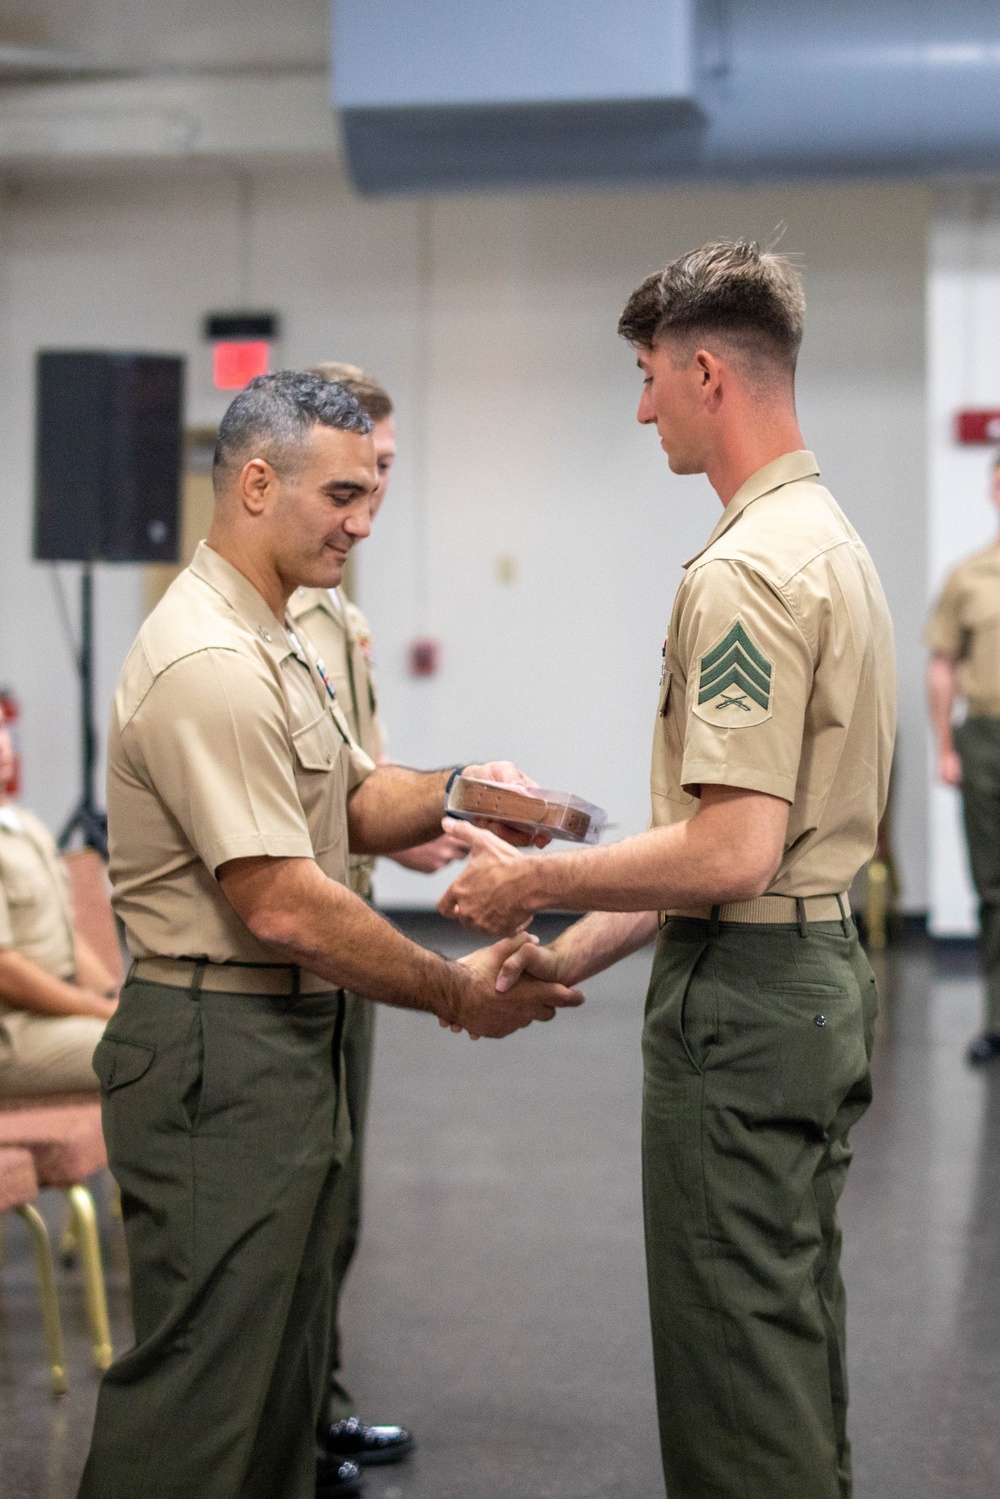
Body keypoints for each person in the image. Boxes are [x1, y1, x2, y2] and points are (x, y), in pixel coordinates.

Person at [438, 241, 895, 1499]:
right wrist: (570, 947)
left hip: (745, 1005)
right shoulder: (828, 538)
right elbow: (735, 860)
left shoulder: (746, 571)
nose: (641, 409)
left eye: (647, 378)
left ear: (706, 373)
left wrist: (534, 882)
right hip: (808, 966)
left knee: (733, 1369)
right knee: (784, 1330)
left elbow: (730, 850)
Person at [77, 371, 582, 1499]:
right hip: (219, 1044)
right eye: (344, 493)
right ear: (257, 483)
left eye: (374, 493)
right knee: (202, 1394)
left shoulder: (277, 634)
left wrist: (461, 790)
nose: (364, 519)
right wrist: (455, 992)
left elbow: (349, 799)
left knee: (279, 1377)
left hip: (276, 1043)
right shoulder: (207, 657)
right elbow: (282, 900)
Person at [288, 362, 463, 1470]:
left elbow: (351, 781)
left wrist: (423, 821)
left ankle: (318, 1399)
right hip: (302, 939)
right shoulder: (283, 617)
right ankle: (293, 1424)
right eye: (359, 476)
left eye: (387, 473)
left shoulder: (338, 609)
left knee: (338, 1191)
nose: (373, 501)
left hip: (346, 921)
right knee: (301, 1198)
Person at [926, 450, 1000, 1063]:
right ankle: (998, 1021)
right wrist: (946, 748)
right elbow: (942, 665)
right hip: (987, 741)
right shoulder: (969, 576)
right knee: (994, 885)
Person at [0, 718, 117, 1095]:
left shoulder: (25, 823)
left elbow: (67, 938)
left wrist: (116, 998)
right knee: (147, 1053)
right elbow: (5, 970)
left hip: (57, 1014)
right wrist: (95, 1008)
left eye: (3, 730)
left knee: (159, 1032)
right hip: (14, 1029)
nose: (3, 745)